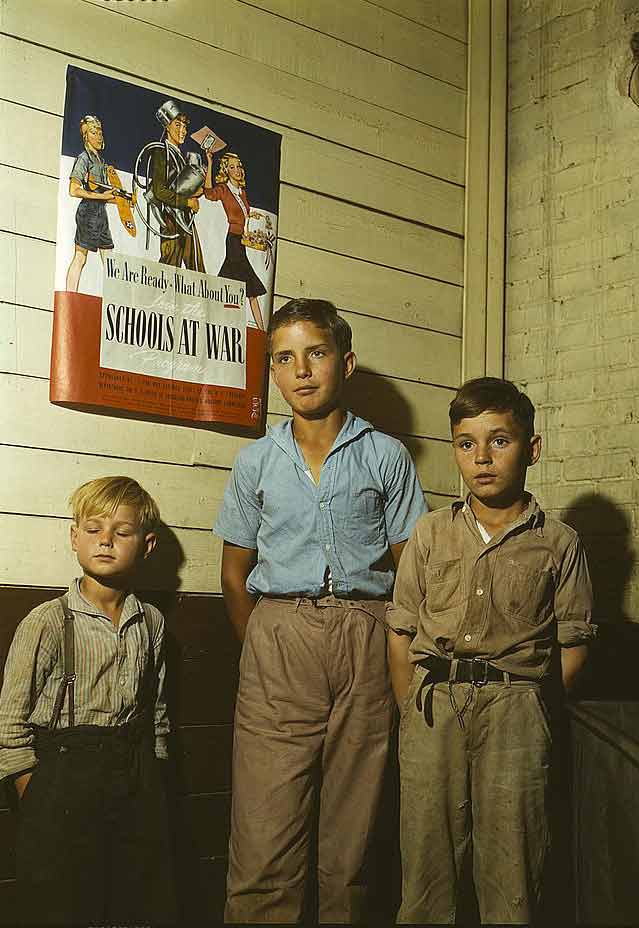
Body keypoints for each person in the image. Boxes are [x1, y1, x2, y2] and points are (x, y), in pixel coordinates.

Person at [214, 298, 428, 923]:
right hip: (278, 634)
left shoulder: (386, 455)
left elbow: (411, 566)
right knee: (264, 820)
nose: (302, 369)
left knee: (354, 823)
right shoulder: (256, 460)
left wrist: (396, 641)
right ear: (272, 373)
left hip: (367, 634)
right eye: (285, 358)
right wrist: (260, 640)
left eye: (317, 353)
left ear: (347, 362)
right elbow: (233, 572)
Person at [387, 377, 596, 925]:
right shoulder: (430, 533)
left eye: (499, 441)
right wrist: (410, 708)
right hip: (435, 705)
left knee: (513, 869)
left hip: (517, 710)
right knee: (427, 867)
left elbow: (572, 643)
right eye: (465, 443)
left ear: (532, 449)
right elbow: (401, 630)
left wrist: (535, 710)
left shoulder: (559, 542)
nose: (481, 457)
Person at [0, 476, 176, 926]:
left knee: (128, 898)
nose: (106, 541)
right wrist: (33, 791)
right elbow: (9, 722)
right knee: (63, 903)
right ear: (73, 537)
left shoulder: (150, 622)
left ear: (147, 544)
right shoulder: (46, 621)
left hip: (133, 779)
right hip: (61, 780)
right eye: (94, 528)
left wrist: (152, 772)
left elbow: (154, 709)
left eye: (122, 531)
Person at [204, 149, 266, 330]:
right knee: (250, 290)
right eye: (232, 167)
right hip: (233, 242)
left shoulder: (241, 192)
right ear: (226, 170)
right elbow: (208, 193)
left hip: (241, 241)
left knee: (224, 284)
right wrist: (209, 162)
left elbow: (244, 218)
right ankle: (261, 329)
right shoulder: (224, 189)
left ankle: (210, 320)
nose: (237, 170)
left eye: (239, 166)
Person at [150, 99, 205, 271]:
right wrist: (187, 202)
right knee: (169, 266)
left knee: (196, 267)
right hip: (171, 218)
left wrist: (196, 192)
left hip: (186, 217)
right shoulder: (160, 152)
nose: (183, 131)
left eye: (185, 127)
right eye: (178, 126)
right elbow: (159, 191)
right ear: (167, 126)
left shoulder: (183, 156)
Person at [65, 115, 115, 292]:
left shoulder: (101, 161)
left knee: (109, 260)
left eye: (100, 132)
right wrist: (102, 197)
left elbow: (105, 193)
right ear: (86, 136)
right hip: (88, 213)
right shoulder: (83, 158)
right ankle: (70, 297)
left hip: (101, 214)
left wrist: (123, 201)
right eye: (94, 132)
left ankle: (113, 299)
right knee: (80, 257)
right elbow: (74, 190)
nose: (100, 136)